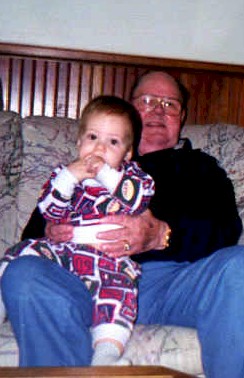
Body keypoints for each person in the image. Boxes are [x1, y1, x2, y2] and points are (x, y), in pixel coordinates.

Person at [1, 71, 244, 377]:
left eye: (170, 104)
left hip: (170, 283)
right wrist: (52, 231)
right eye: (147, 101)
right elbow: (32, 235)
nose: (159, 110)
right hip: (79, 278)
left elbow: (225, 230)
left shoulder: (201, 167)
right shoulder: (82, 166)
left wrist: (163, 234)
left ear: (181, 117)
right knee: (24, 273)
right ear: (130, 109)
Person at [0, 95, 155, 366]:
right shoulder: (67, 175)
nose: (100, 148)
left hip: (107, 257)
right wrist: (69, 177)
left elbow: (137, 199)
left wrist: (106, 174)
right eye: (93, 137)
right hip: (64, 250)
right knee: (20, 253)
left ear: (128, 153)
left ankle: (105, 356)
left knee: (118, 294)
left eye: (113, 142)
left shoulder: (131, 177)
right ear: (79, 142)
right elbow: (49, 210)